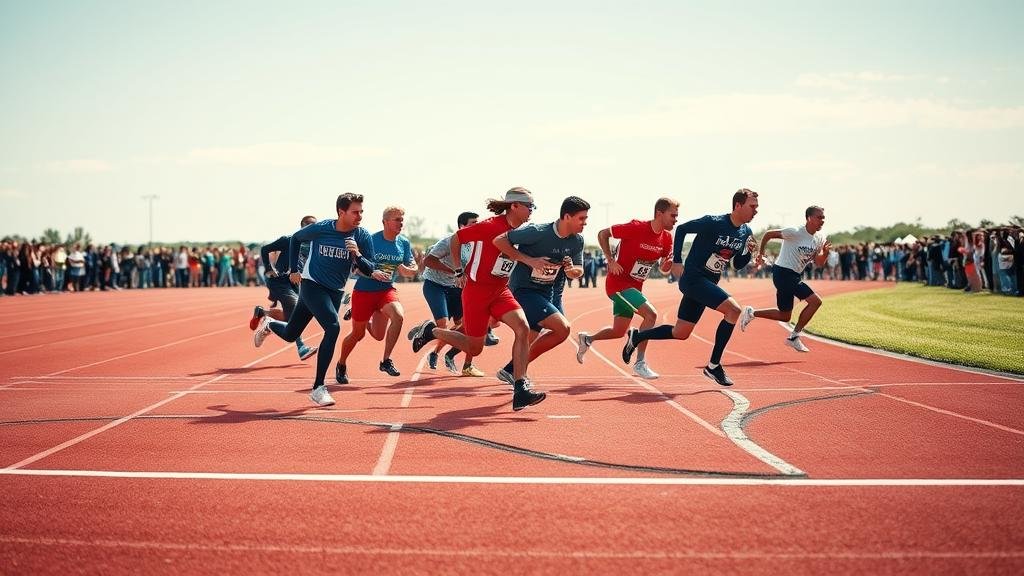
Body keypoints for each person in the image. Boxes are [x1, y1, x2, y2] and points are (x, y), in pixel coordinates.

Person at [407, 187, 546, 411]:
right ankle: (431, 331)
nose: (532, 210)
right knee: (474, 349)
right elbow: (456, 239)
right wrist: (459, 271)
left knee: (522, 328)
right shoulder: (490, 226)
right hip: (477, 291)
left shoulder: (522, 231)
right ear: (515, 206)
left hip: (501, 290)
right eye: (529, 206)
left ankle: (520, 388)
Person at [622, 188, 759, 386]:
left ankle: (637, 336)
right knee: (733, 310)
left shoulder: (746, 232)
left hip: (708, 283)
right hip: (694, 279)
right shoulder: (714, 222)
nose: (755, 211)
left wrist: (748, 252)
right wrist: (677, 260)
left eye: (756, 207)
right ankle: (714, 366)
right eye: (752, 206)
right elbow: (683, 229)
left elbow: (737, 264)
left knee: (681, 332)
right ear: (738, 205)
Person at [253, 193, 376, 407]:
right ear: (341, 212)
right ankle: (318, 388)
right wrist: (293, 269)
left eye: (361, 212)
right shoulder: (322, 228)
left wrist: (357, 255)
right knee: (333, 327)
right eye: (355, 212)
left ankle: (270, 323)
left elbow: (370, 268)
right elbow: (295, 239)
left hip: (335, 290)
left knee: (291, 334)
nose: (360, 216)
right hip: (312, 285)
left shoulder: (362, 236)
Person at [574, 198, 678, 379]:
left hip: (635, 288)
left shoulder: (667, 238)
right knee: (651, 315)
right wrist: (610, 260)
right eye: (673, 215)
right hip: (618, 284)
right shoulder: (636, 227)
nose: (676, 220)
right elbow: (602, 234)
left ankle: (587, 339)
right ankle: (640, 363)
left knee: (618, 331)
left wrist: (667, 264)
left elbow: (662, 269)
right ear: (659, 213)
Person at [492, 196, 588, 385]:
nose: (585, 223)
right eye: (581, 218)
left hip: (549, 292)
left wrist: (571, 271)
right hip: (524, 290)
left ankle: (512, 371)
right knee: (562, 329)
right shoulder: (537, 232)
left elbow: (579, 270)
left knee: (531, 337)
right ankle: (517, 374)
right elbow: (499, 240)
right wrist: (527, 260)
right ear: (567, 217)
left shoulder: (577, 241)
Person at [334, 206, 418, 383]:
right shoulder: (370, 240)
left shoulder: (403, 243)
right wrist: (372, 273)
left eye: (402, 219)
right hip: (364, 291)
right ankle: (341, 364)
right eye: (397, 219)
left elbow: (411, 268)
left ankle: (386, 361)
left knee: (398, 317)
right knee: (358, 335)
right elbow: (356, 268)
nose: (401, 223)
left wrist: (410, 270)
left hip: (385, 291)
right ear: (385, 222)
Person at [739, 205, 831, 352]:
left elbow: (819, 263)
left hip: (794, 275)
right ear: (809, 218)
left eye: (823, 218)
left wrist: (825, 254)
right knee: (815, 301)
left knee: (785, 315)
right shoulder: (794, 232)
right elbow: (768, 234)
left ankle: (751, 313)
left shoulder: (819, 238)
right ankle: (794, 337)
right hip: (782, 273)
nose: (822, 221)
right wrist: (761, 255)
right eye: (819, 217)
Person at [419, 211, 487, 377]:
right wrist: (453, 271)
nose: (477, 226)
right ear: (462, 226)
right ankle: (430, 336)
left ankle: (458, 361)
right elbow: (427, 261)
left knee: (467, 326)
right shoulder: (450, 240)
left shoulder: (475, 244)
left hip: (456, 287)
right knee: (442, 324)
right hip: (435, 284)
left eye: (478, 223)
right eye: (473, 223)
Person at [248, 215, 319, 362]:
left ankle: (264, 314)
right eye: (309, 225)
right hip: (279, 281)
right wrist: (268, 268)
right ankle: (301, 347)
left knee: (290, 317)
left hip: (296, 284)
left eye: (315, 225)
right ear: (302, 227)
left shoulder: (315, 244)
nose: (312, 228)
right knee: (294, 313)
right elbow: (265, 249)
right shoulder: (289, 240)